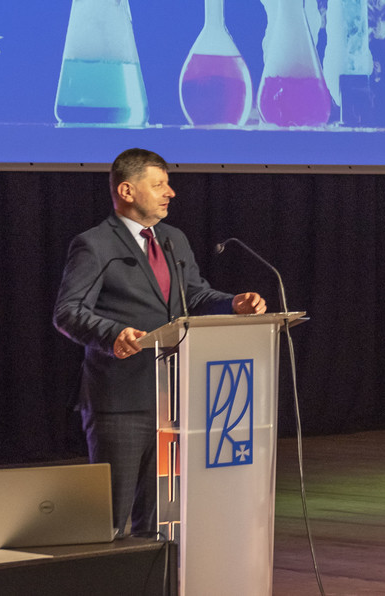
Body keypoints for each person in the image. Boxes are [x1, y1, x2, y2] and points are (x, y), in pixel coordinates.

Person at [53, 148, 266, 536]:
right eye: (159, 185)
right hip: (121, 400)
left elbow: (194, 295)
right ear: (127, 191)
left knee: (160, 520)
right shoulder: (95, 244)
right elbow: (67, 311)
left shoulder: (173, 239)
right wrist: (112, 333)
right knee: (110, 520)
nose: (171, 192)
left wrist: (233, 303)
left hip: (173, 398)